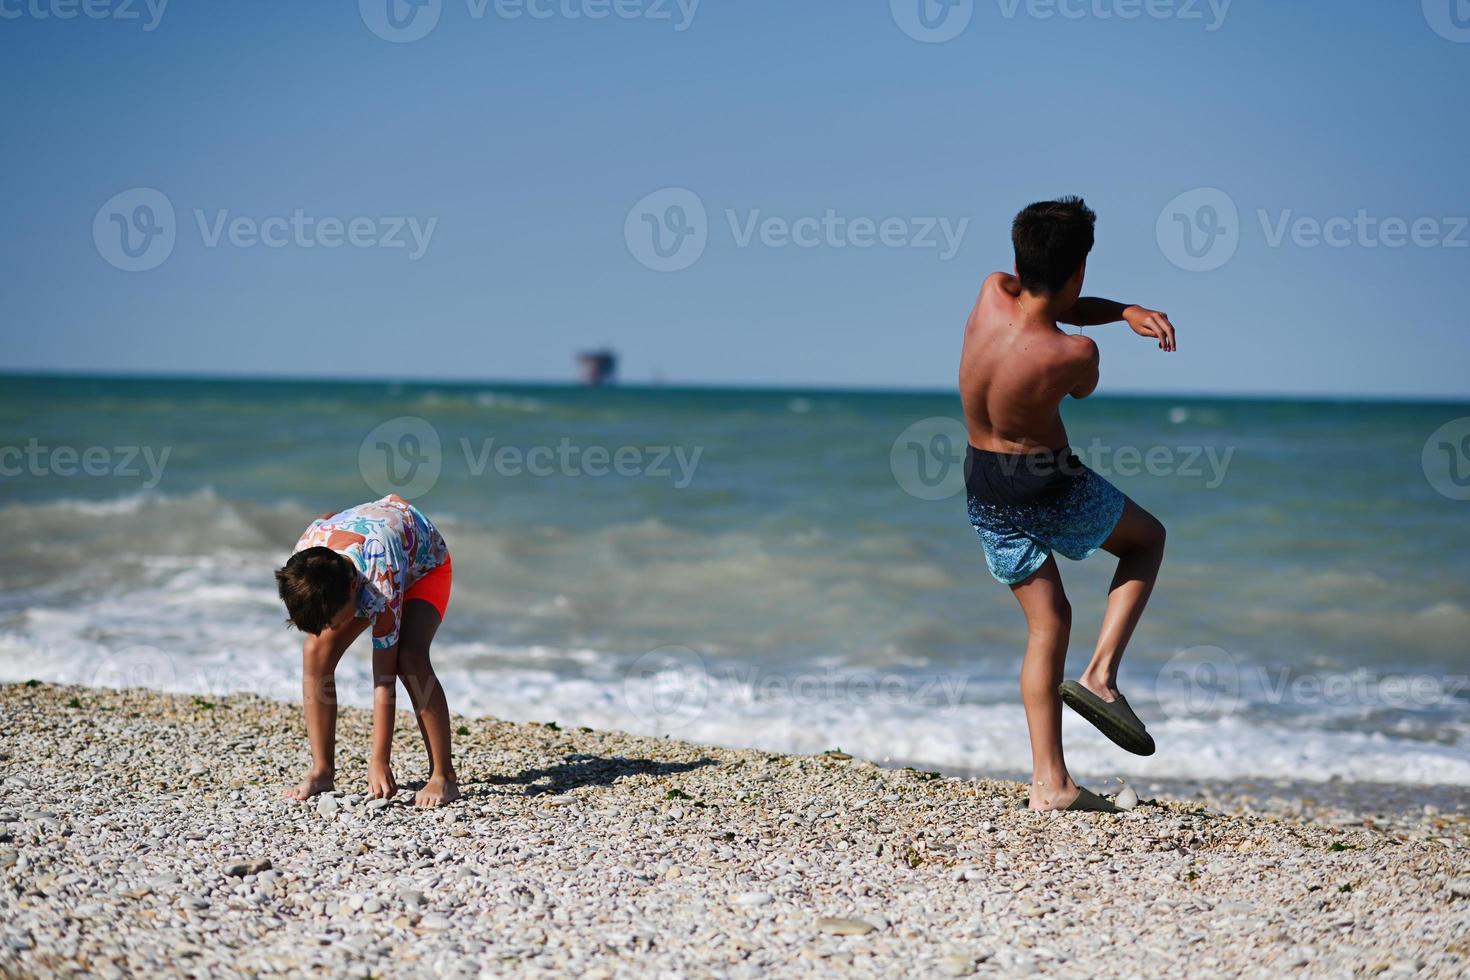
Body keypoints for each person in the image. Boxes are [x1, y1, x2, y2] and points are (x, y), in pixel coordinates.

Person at [959, 196, 1177, 812]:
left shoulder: (989, 291)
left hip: (983, 480)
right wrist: (1111, 320)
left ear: (1017, 258)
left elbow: (1049, 302)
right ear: (1080, 270)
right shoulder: (1075, 354)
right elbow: (1080, 387)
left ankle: (1050, 784)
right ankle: (1101, 676)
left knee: (1047, 622)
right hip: (1049, 480)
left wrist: (1124, 310)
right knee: (1146, 539)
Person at [274, 494, 460, 807]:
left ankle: (444, 777)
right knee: (315, 653)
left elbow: (383, 680)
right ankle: (322, 771)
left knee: (409, 659)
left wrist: (379, 761)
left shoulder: (380, 587)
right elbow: (328, 515)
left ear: (352, 591)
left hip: (424, 565)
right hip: (371, 551)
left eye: (333, 621)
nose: (332, 629)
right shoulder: (304, 561)